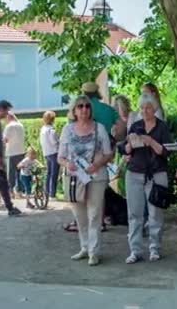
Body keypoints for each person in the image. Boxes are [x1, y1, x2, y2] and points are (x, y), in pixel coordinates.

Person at [58, 95, 114, 266]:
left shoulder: (100, 128)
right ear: (74, 110)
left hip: (96, 177)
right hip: (75, 179)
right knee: (79, 216)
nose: (84, 109)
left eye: (87, 106)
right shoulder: (67, 130)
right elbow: (60, 156)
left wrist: (97, 164)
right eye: (80, 106)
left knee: (94, 214)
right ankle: (84, 247)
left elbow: (109, 153)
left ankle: (94, 252)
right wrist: (68, 163)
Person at [120, 93, 171, 264]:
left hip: (156, 173)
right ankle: (135, 250)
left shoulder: (162, 127)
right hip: (134, 172)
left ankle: (154, 248)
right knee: (134, 214)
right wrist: (129, 145)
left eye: (148, 108)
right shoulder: (135, 126)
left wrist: (150, 141)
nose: (144, 111)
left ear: (154, 109)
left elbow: (166, 151)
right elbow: (126, 150)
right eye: (142, 108)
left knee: (155, 213)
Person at [3, 112, 26, 198]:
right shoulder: (21, 125)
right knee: (19, 172)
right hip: (21, 151)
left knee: (11, 173)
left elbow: (5, 140)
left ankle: (11, 191)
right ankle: (20, 191)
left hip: (11, 152)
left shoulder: (8, 127)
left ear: (8, 117)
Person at [40, 111, 59, 199]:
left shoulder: (43, 129)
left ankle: (46, 192)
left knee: (48, 173)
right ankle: (52, 194)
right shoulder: (52, 130)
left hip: (46, 152)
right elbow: (54, 142)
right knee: (54, 174)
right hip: (54, 152)